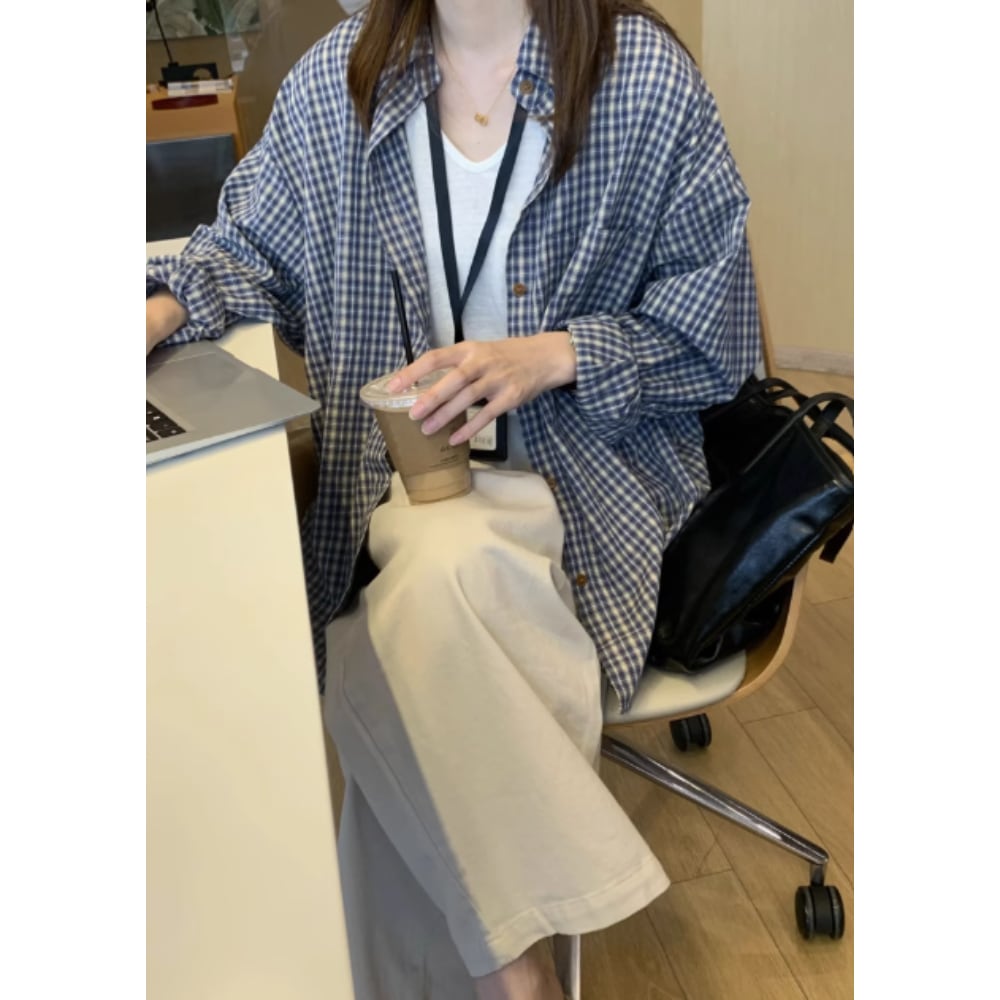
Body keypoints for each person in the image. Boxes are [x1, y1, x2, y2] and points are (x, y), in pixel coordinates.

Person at [146, 1, 761, 997]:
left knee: (414, 603)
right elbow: (248, 245)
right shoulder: (341, 80)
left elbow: (715, 338)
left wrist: (551, 355)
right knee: (423, 589)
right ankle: (519, 969)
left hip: (580, 481)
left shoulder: (641, 80)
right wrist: (158, 309)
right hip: (394, 481)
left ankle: (509, 977)